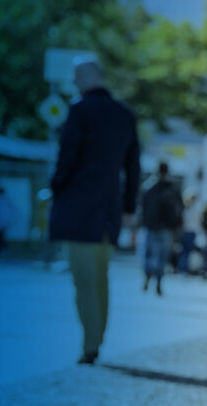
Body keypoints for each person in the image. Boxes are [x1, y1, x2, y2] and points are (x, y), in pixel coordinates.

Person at [49, 59, 140, 365]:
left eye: (76, 77)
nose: (74, 83)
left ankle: (91, 345)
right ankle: (97, 338)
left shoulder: (80, 110)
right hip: (109, 211)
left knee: (83, 279)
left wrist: (55, 187)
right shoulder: (124, 114)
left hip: (79, 208)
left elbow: (67, 156)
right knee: (100, 278)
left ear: (87, 78)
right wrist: (128, 207)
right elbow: (133, 167)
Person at [139, 162, 183, 295]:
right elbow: (179, 209)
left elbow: (143, 207)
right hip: (164, 228)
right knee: (160, 255)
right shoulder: (171, 189)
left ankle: (151, 277)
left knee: (151, 253)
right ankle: (156, 279)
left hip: (154, 227)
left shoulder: (150, 187)